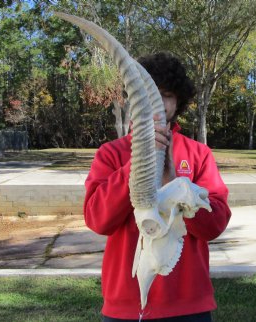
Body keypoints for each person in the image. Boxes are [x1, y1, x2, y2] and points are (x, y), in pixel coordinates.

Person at [83, 52, 231, 321]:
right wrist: (140, 161)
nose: (157, 103)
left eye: (166, 94)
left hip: (188, 303)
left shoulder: (198, 154)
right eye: (147, 94)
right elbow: (98, 220)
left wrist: (176, 187)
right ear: (133, 99)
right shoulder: (111, 154)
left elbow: (215, 224)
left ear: (179, 102)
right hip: (125, 304)